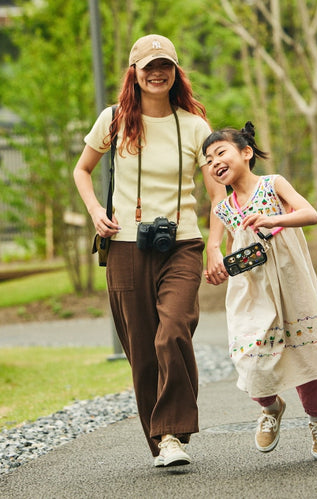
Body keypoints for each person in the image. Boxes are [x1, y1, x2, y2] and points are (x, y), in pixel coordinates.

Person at [73, 34, 227, 467]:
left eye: (166, 66)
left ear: (176, 72)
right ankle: (162, 442)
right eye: (148, 67)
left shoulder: (195, 125)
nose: (157, 73)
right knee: (141, 348)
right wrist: (94, 212)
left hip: (182, 244)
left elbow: (218, 196)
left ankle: (174, 433)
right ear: (134, 73)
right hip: (125, 246)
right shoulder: (115, 119)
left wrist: (215, 246)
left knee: (173, 330)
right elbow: (82, 170)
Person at [202, 122, 317, 461]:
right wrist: (216, 260)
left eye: (220, 152)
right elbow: (215, 246)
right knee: (248, 357)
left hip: (290, 281)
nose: (214, 162)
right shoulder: (222, 208)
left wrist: (272, 221)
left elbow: (310, 213)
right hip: (251, 291)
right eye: (207, 160)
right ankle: (270, 407)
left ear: (246, 153)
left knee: (304, 352)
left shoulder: (273, 183)